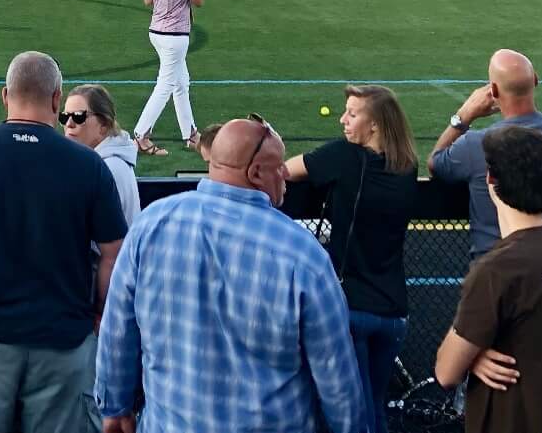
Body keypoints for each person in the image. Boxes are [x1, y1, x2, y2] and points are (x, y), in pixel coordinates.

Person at [95, 116, 364, 433]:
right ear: (255, 173)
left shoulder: (151, 224)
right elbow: (337, 378)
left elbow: (118, 331)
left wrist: (114, 406)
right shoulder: (303, 255)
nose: (285, 176)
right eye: (278, 167)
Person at [0, 51, 129, 433]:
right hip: (65, 342)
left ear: (5, 96)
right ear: (56, 99)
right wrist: (98, 314)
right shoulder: (88, 165)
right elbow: (114, 252)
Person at [434, 126, 542, 433]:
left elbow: (445, 371)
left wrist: (470, 357)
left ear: (491, 180)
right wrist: (475, 356)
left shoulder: (497, 270)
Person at [285, 85, 420, 433]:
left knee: (351, 413)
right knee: (374, 405)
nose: (343, 120)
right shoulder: (406, 166)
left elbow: (285, 172)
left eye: (353, 114)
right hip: (393, 309)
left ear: (374, 125)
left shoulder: (344, 157)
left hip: (351, 308)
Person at [428, 49, 542, 257]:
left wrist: (463, 116)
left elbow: (435, 163)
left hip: (496, 273)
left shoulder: (475, 144)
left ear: (493, 91)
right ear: (535, 80)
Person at [131, 0, 202, 158]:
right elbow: (199, 0)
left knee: (181, 83)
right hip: (175, 35)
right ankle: (141, 135)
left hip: (157, 31)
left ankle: (190, 135)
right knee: (166, 85)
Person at [60, 85, 140, 235]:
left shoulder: (106, 169)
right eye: (64, 117)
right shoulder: (109, 163)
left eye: (78, 116)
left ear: (104, 124)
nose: (69, 124)